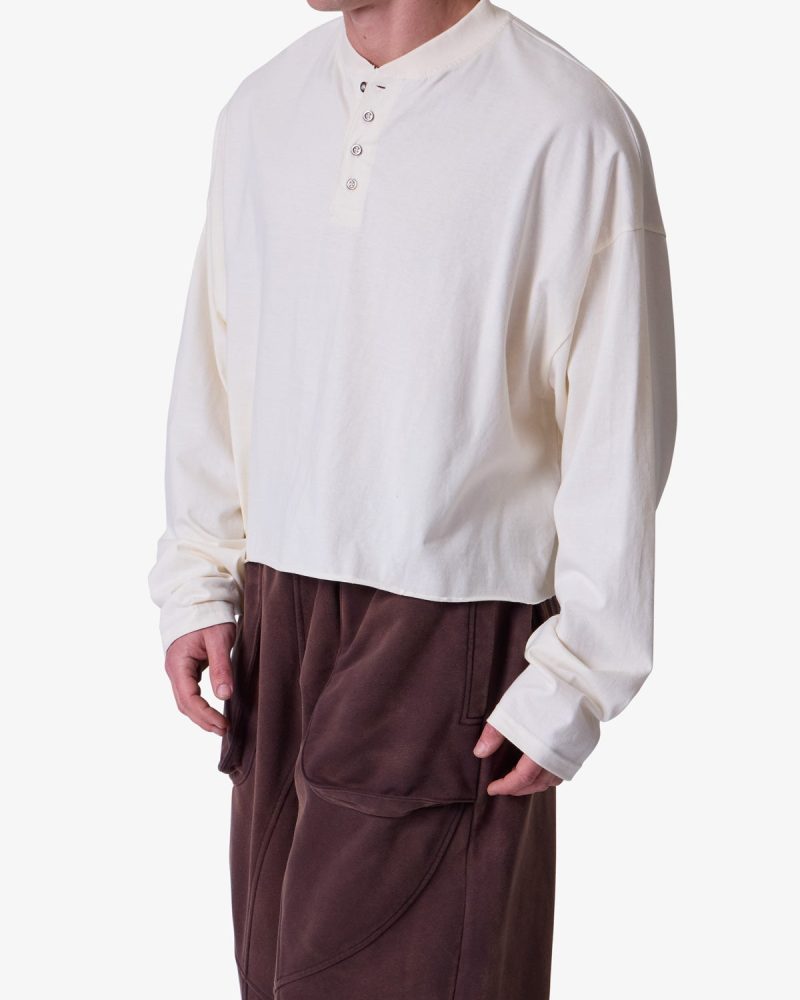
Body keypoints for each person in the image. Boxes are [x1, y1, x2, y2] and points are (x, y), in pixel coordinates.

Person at [147, 1, 677, 996]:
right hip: (276, 622)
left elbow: (617, 422)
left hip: (450, 626)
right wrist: (199, 578)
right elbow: (215, 359)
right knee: (273, 973)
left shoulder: (567, 125)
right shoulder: (261, 109)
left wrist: (577, 676)